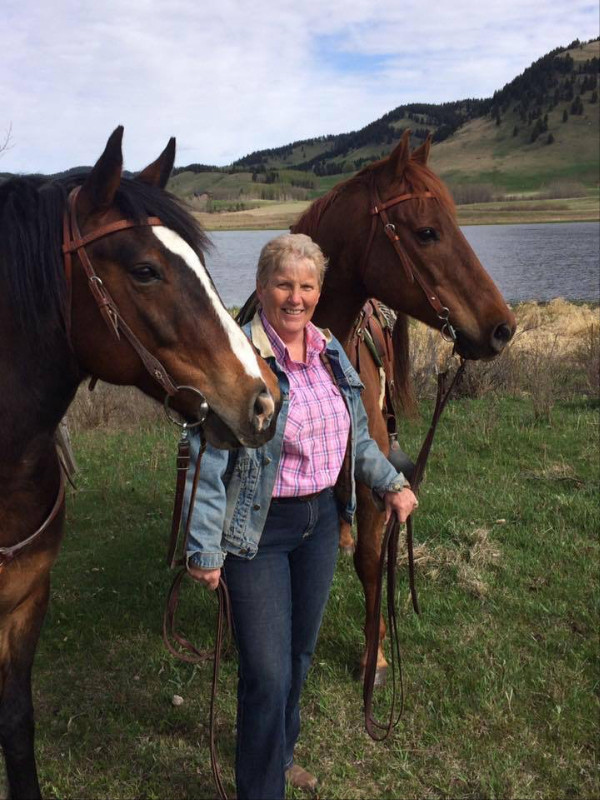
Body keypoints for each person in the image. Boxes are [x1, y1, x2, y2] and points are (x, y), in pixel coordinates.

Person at [184, 233, 418, 800]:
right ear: (262, 288)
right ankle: (260, 790)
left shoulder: (331, 351)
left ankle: (281, 754)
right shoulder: (238, 355)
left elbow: (357, 439)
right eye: (284, 284)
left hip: (318, 523)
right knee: (265, 670)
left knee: (299, 653)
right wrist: (204, 546)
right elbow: (208, 457)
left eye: (307, 285)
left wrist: (391, 482)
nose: (296, 297)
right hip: (257, 530)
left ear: (319, 291)